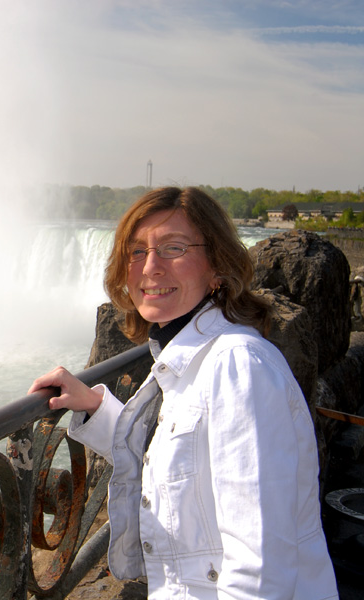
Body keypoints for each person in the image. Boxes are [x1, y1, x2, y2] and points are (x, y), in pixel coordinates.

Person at [29, 187, 338, 599]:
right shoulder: (189, 356)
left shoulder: (238, 368)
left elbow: (260, 569)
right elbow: (185, 453)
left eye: (173, 248)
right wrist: (98, 407)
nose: (150, 267)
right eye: (136, 252)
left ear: (217, 268)